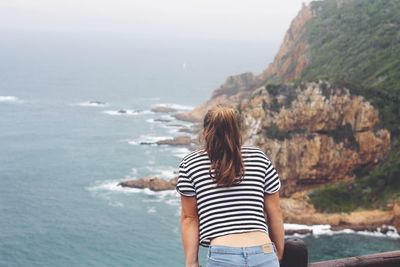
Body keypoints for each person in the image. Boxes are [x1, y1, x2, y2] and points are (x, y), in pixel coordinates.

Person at [176, 105, 284, 267]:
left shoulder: (190, 164)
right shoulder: (259, 158)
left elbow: (189, 219)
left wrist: (192, 263)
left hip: (223, 255)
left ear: (205, 132)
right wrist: (279, 253)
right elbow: (275, 211)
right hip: (264, 251)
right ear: (238, 131)